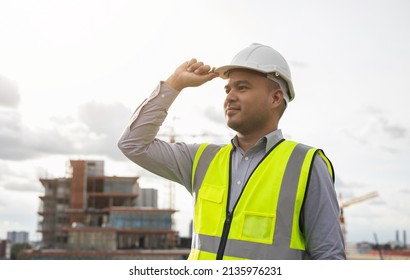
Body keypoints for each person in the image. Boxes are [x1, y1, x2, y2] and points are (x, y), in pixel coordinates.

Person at [118, 43, 346, 260]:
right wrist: (174, 83)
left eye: (242, 87)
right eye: (228, 89)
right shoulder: (201, 160)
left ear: (276, 97)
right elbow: (133, 144)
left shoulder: (306, 164)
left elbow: (328, 256)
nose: (230, 96)